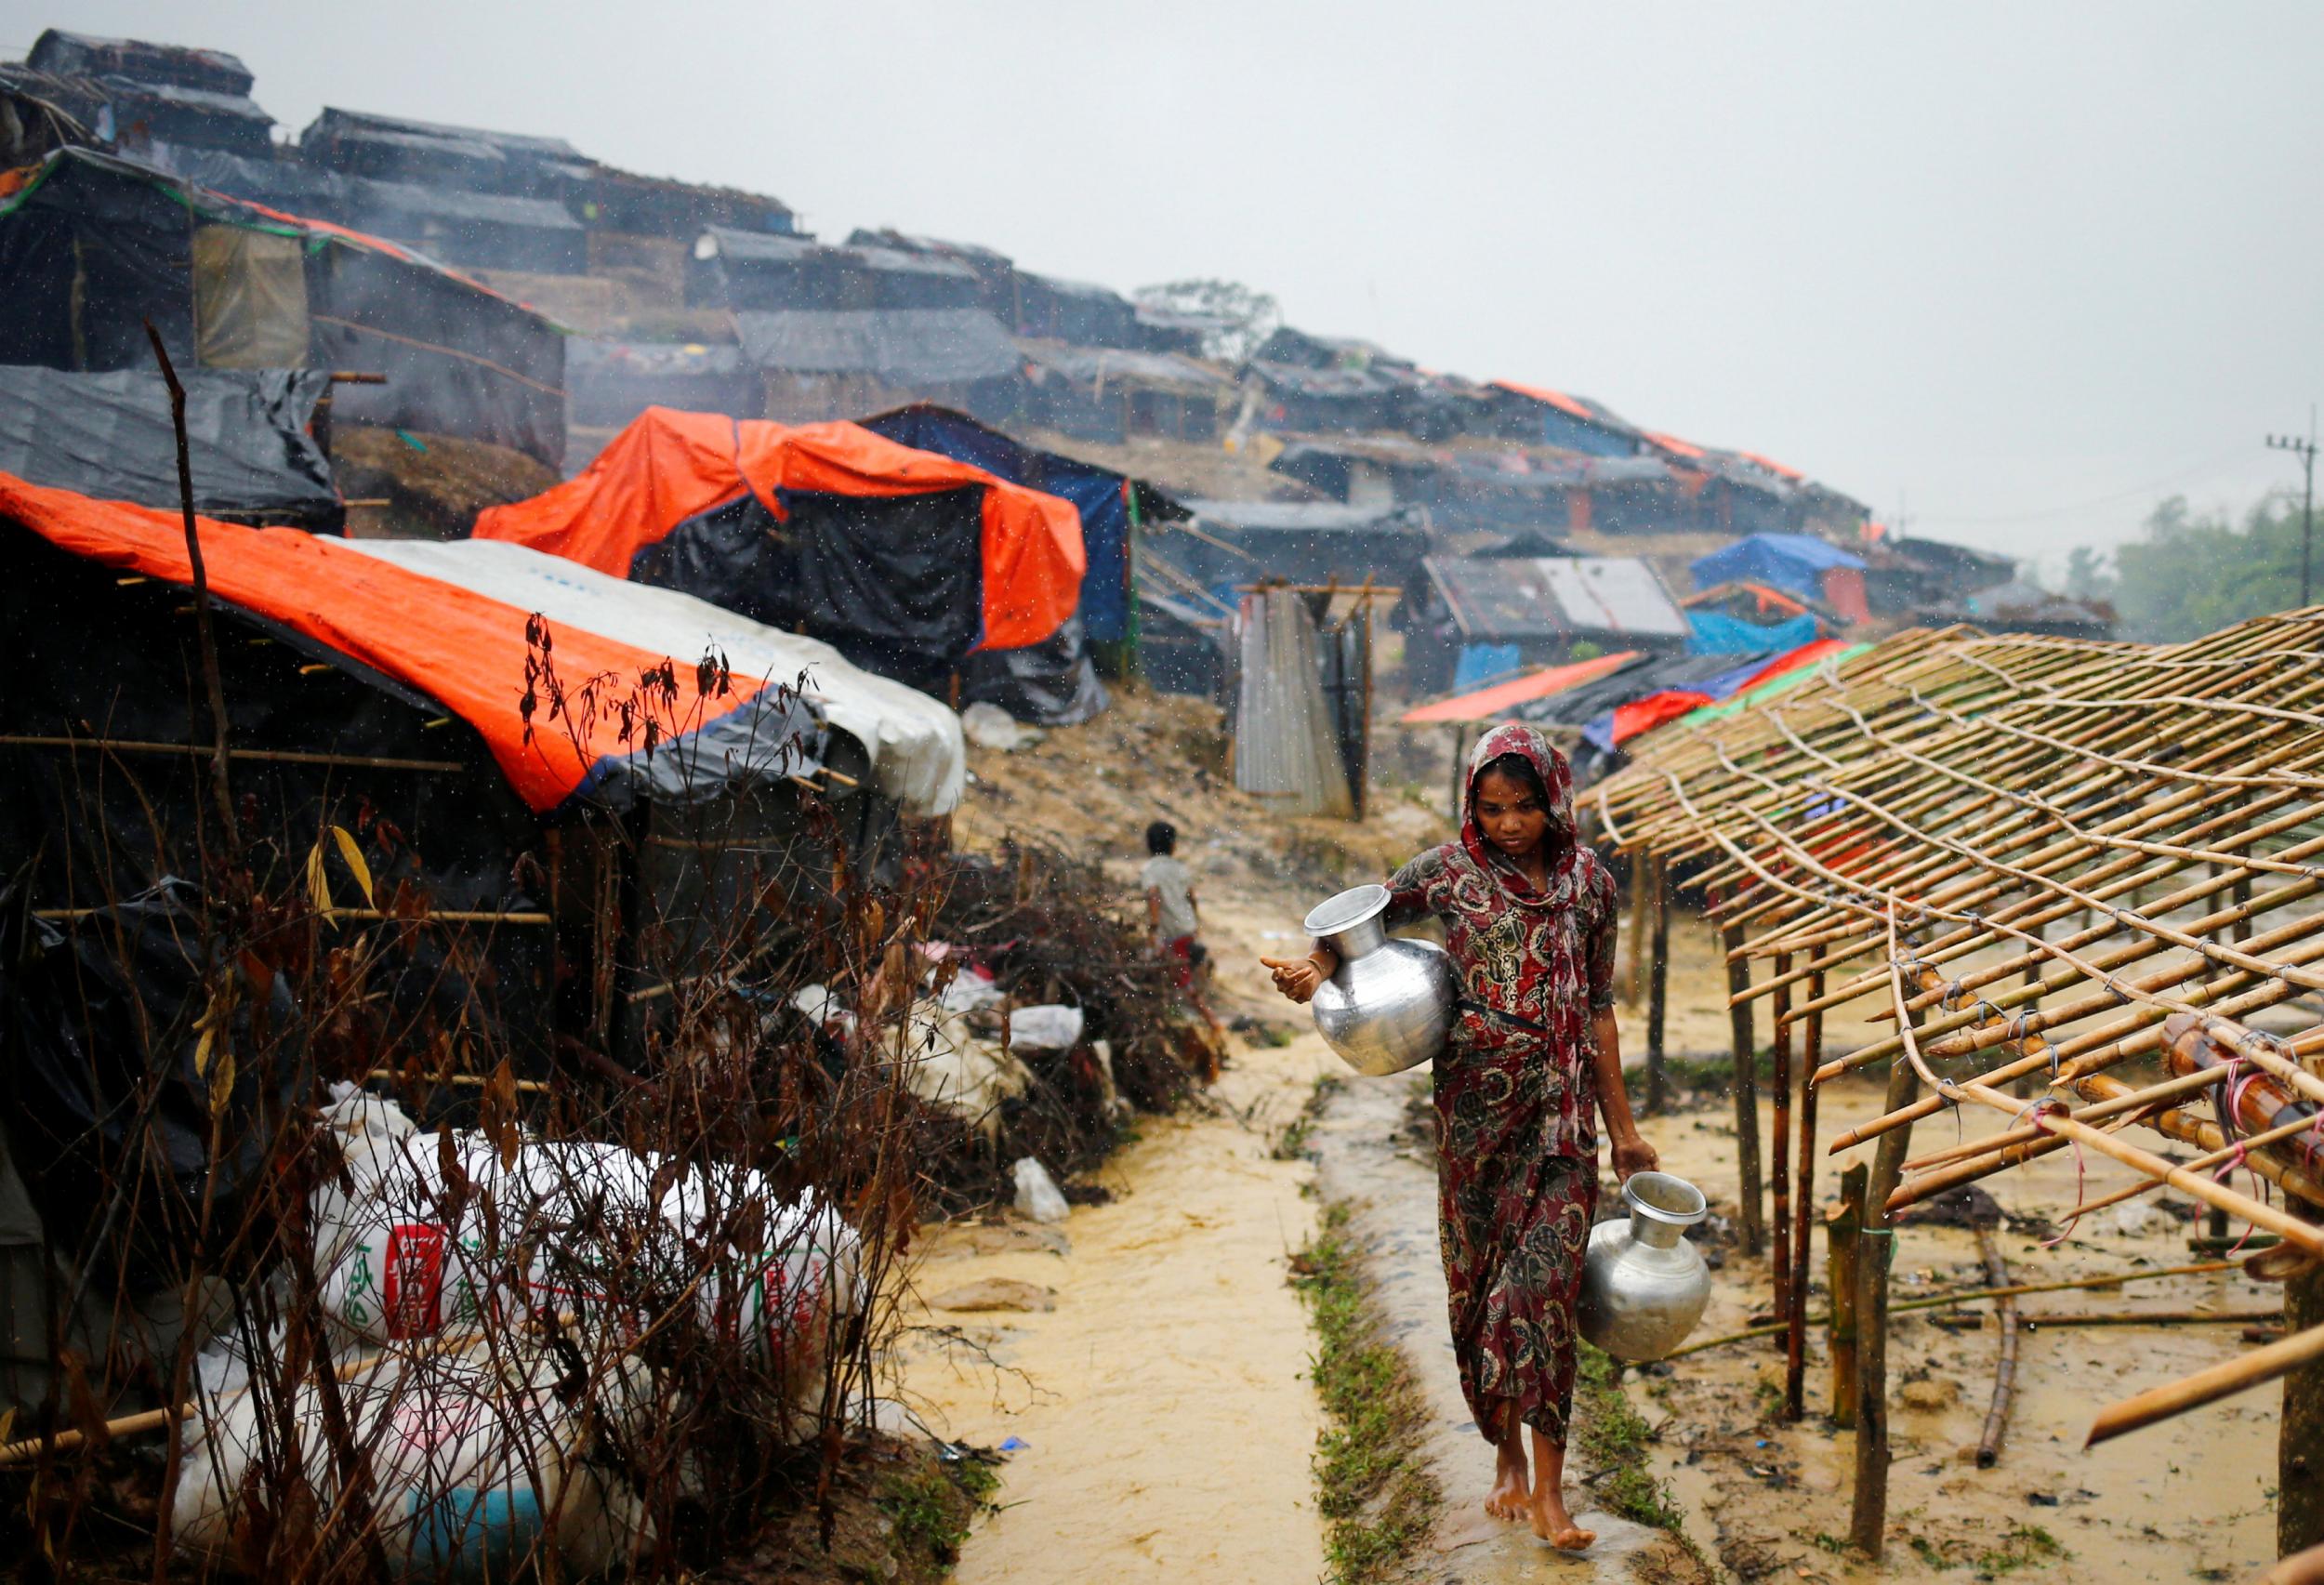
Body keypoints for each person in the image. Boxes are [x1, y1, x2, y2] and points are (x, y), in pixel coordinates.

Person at [1260, 723, 1657, 1552]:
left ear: (1555, 799)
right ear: (1472, 804)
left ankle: (1552, 1493)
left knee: (1540, 1294)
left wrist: (1623, 1132)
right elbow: (1357, 926)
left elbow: (1599, 1008)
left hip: (1562, 1126)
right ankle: (1504, 1457)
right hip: (1475, 1122)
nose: (1511, 824)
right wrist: (1315, 969)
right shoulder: (1449, 871)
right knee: (1480, 1294)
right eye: (1493, 807)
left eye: (1526, 807)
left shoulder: (1591, 883)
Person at [1141, 820, 1224, 1056]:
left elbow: (1154, 897)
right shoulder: (1180, 869)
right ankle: (1198, 1023)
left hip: (1170, 935)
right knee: (1187, 980)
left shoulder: (1150, 870)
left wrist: (1153, 929)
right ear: (1173, 845)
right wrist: (1195, 925)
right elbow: (1191, 897)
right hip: (1187, 931)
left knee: (1182, 982)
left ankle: (1212, 1024)